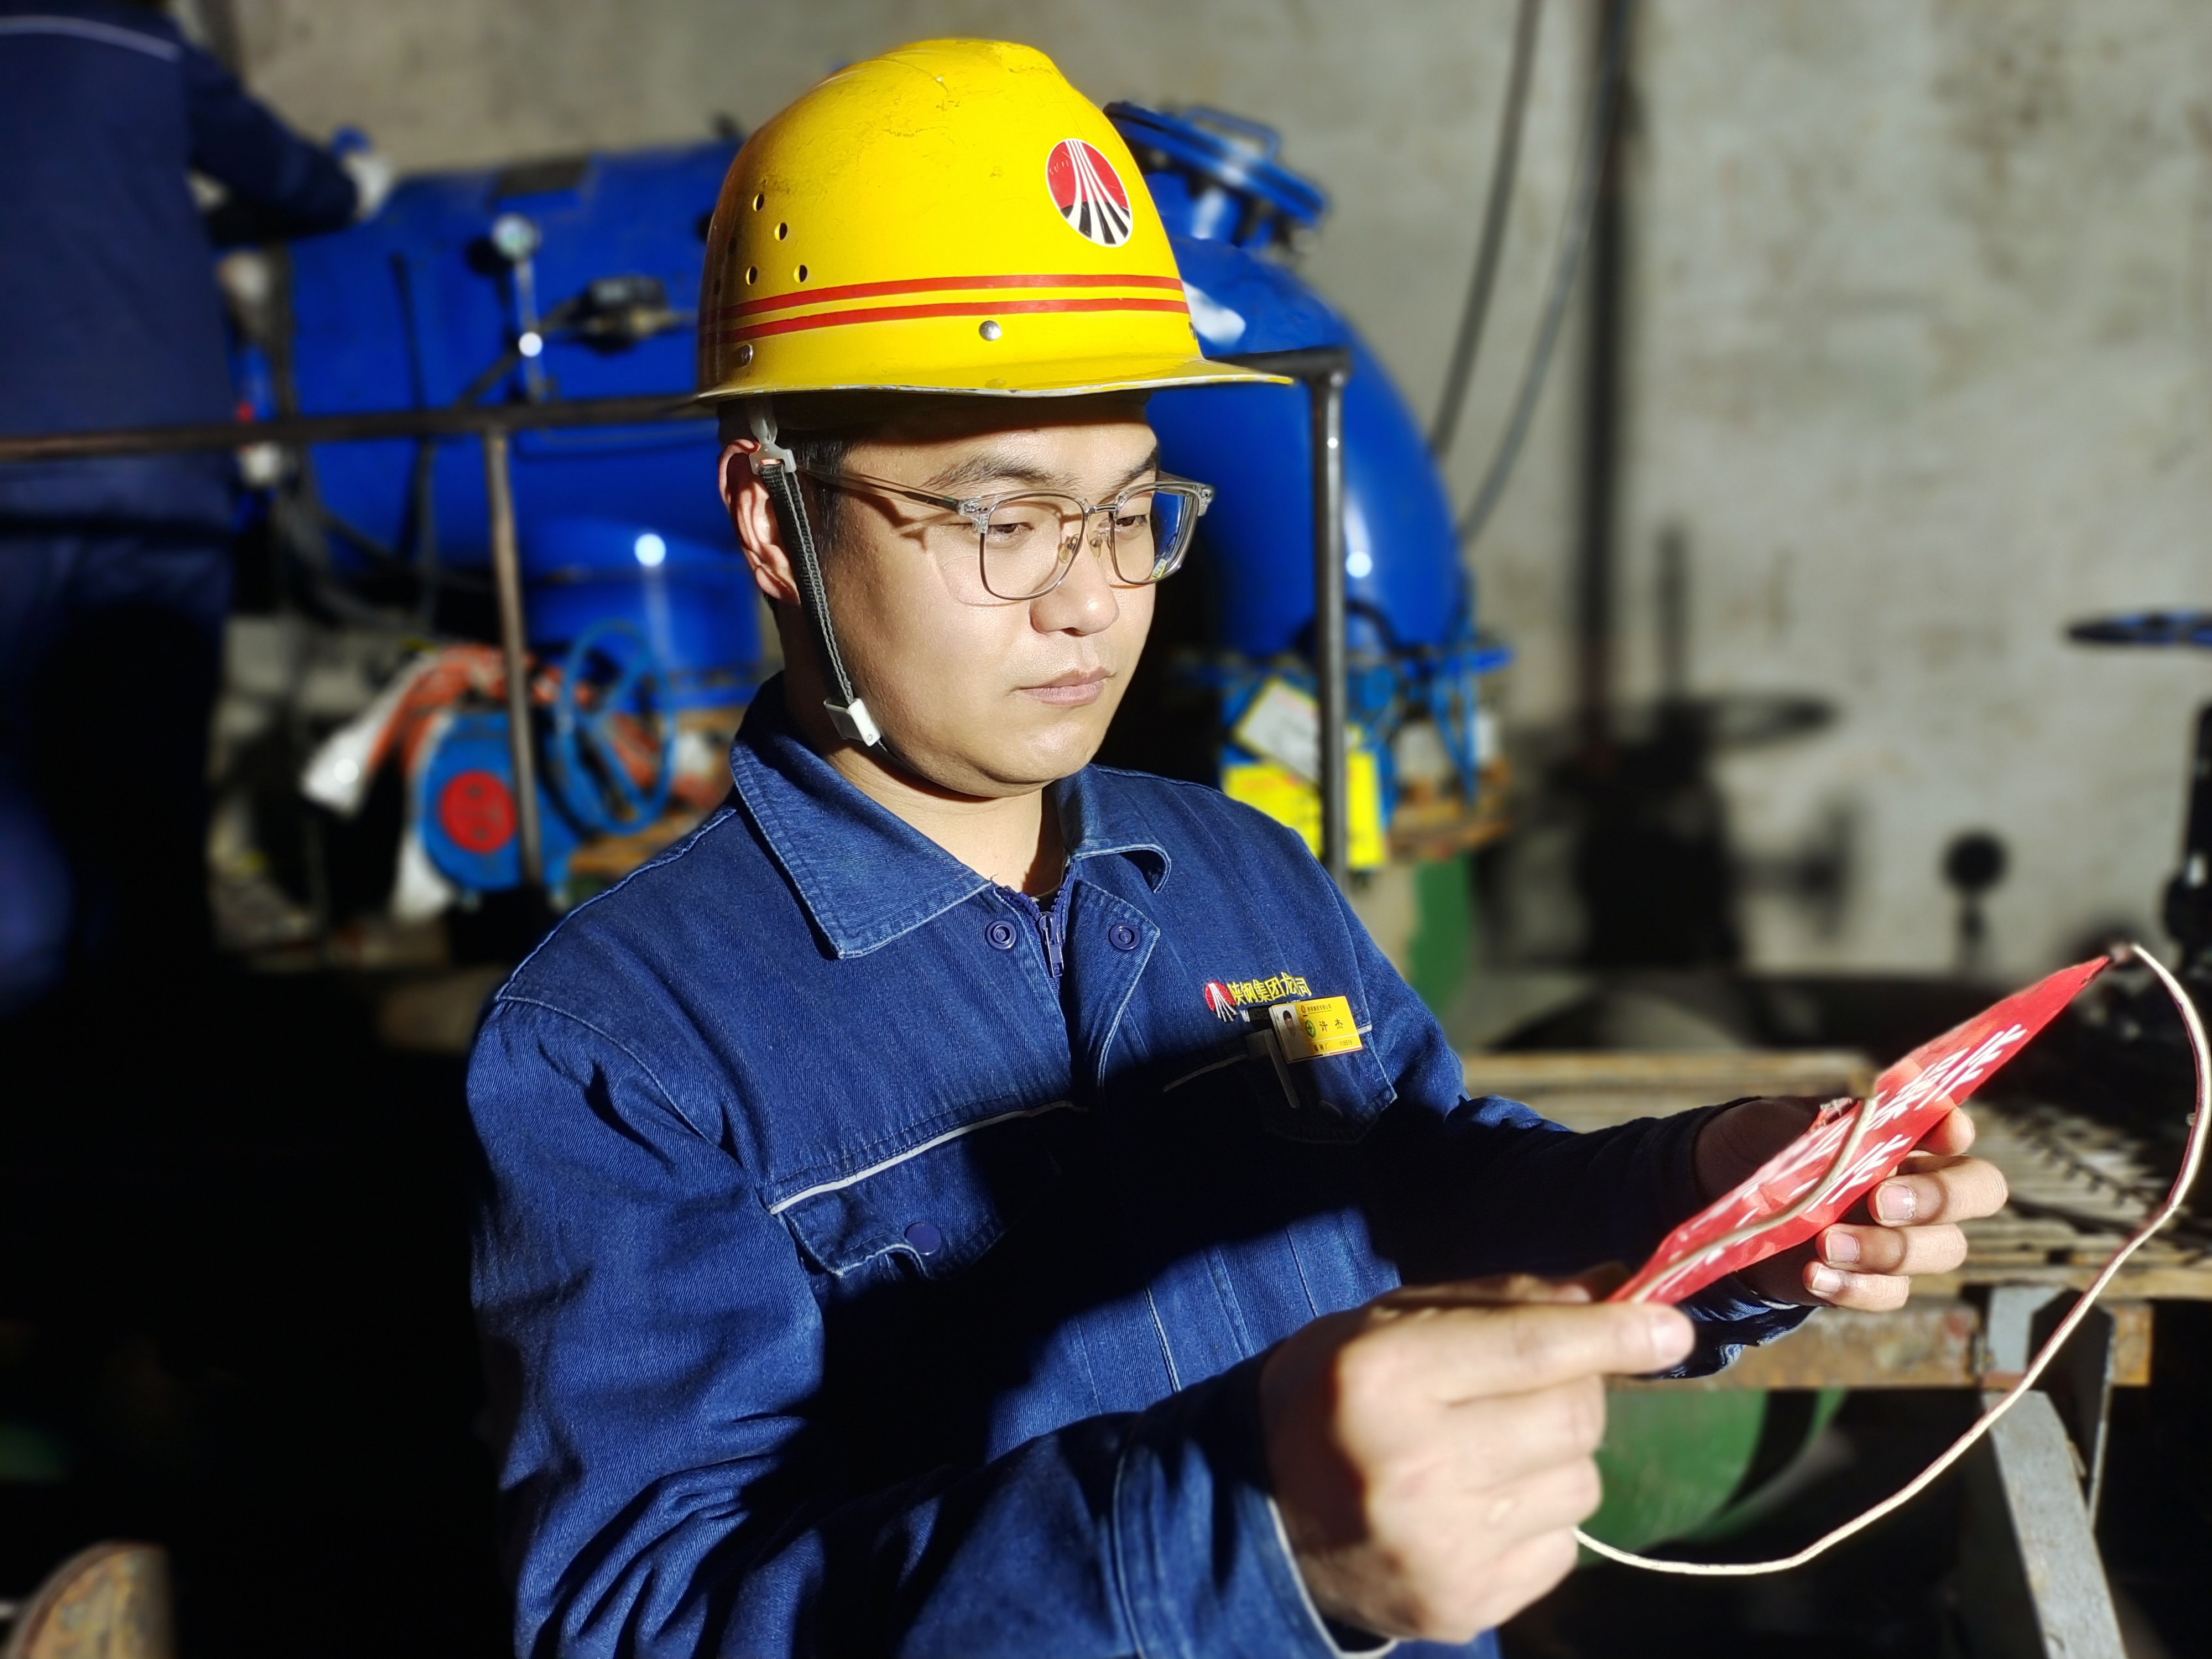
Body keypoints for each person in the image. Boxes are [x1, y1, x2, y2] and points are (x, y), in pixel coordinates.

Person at [467, 40, 2008, 1657]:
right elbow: (644, 1621)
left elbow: (1426, 1185)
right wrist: (1255, 1534)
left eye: (1127, 511)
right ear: (773, 521)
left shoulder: (1227, 865)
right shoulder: (621, 1049)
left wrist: (1708, 1191)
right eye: (1004, 521)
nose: (1090, 598)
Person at [0, 0, 384, 1010]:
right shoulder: (135, 40)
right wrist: (354, 183)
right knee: (151, 748)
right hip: (159, 455)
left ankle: (30, 1017)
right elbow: (290, 179)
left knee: (14, 763)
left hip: (9, 467)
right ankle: (154, 1012)